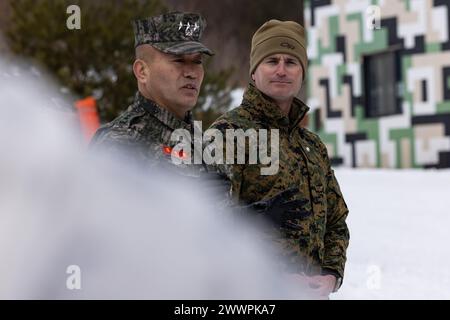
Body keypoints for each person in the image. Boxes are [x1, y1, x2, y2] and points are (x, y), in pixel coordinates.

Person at [208, 20, 350, 298]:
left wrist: (332, 274)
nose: (282, 70)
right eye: (272, 60)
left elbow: (336, 220)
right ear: (253, 72)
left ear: (302, 73)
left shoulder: (311, 145)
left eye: (291, 62)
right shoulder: (228, 136)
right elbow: (209, 226)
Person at [90, 11, 212, 172]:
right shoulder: (120, 144)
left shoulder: (203, 143)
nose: (192, 73)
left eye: (197, 62)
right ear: (142, 71)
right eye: (178, 60)